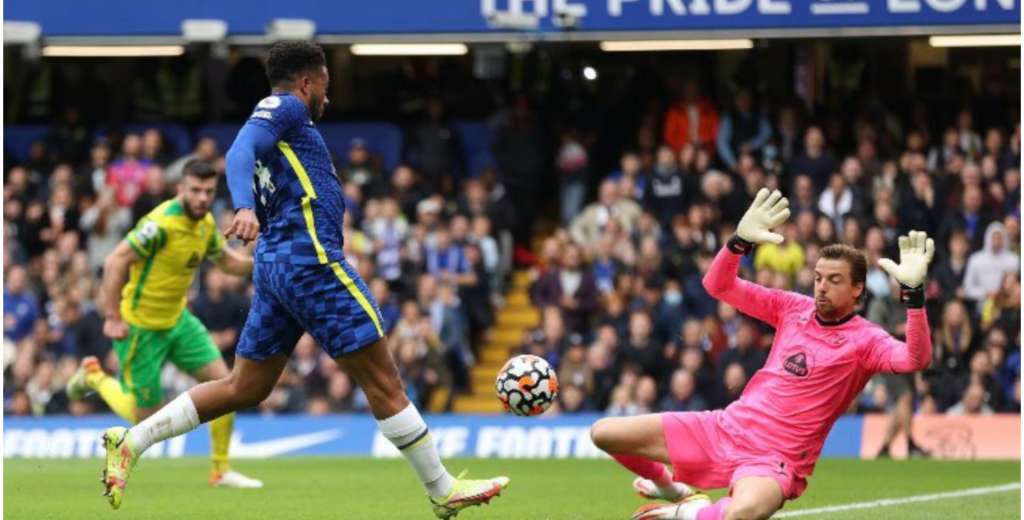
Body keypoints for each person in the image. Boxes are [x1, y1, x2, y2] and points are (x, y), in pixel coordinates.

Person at [96, 41, 508, 518]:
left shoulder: (288, 132)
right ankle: (441, 489)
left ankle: (133, 441)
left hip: (277, 265)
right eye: (326, 86)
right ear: (308, 82)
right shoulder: (285, 107)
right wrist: (243, 206)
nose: (327, 97)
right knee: (384, 380)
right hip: (309, 260)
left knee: (245, 387)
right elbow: (239, 149)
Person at [589, 189, 934, 520]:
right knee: (603, 433)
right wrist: (738, 242)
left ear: (857, 288)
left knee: (743, 512)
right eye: (818, 278)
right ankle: (670, 489)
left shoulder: (866, 339)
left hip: (775, 458)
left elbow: (915, 359)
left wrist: (914, 298)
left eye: (834, 280)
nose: (822, 287)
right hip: (726, 427)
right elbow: (718, 285)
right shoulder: (792, 307)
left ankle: (684, 513)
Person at [66, 160, 262, 489]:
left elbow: (227, 263)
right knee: (146, 419)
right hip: (141, 328)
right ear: (180, 189)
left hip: (179, 322)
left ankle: (220, 470)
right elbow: (115, 261)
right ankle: (94, 376)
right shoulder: (160, 224)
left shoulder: (205, 224)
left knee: (227, 387)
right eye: (195, 190)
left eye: (208, 191)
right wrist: (112, 316)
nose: (202, 198)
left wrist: (264, 262)